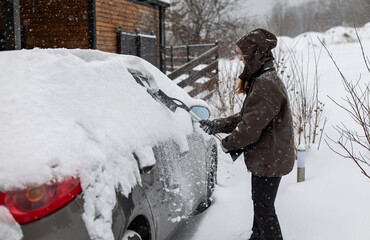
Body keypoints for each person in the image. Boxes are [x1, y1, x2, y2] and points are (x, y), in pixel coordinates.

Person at [199, 29, 295, 240]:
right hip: (269, 157)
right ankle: (257, 236)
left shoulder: (265, 85)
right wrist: (216, 125)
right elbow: (247, 116)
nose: (240, 58)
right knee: (260, 204)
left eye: (242, 54)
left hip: (269, 160)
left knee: (264, 209)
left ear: (255, 55)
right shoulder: (264, 80)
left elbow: (249, 130)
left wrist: (228, 144)